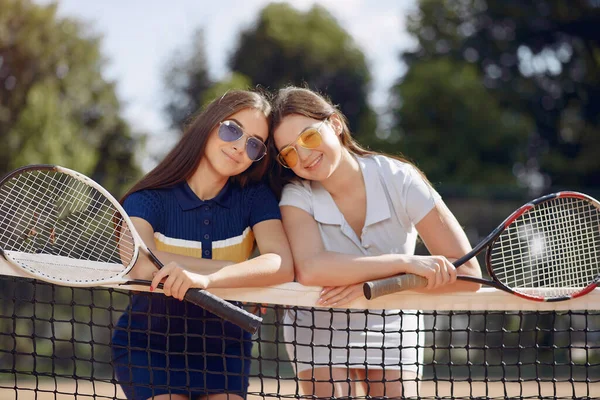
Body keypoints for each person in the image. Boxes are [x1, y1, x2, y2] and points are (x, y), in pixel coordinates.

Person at [268, 86, 482, 398]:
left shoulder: (401, 179)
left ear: (335, 124)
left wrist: (377, 286)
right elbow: (312, 268)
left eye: (309, 137)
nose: (303, 155)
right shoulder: (296, 195)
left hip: (394, 320)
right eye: (288, 152)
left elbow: (467, 275)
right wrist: (403, 264)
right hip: (317, 323)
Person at [111, 89, 294, 400]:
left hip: (225, 348)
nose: (239, 146)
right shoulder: (149, 198)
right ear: (209, 124)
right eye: (232, 129)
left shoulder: (254, 199)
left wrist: (206, 279)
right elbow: (139, 262)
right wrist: (245, 272)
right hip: (151, 346)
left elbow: (281, 263)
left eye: (253, 144)